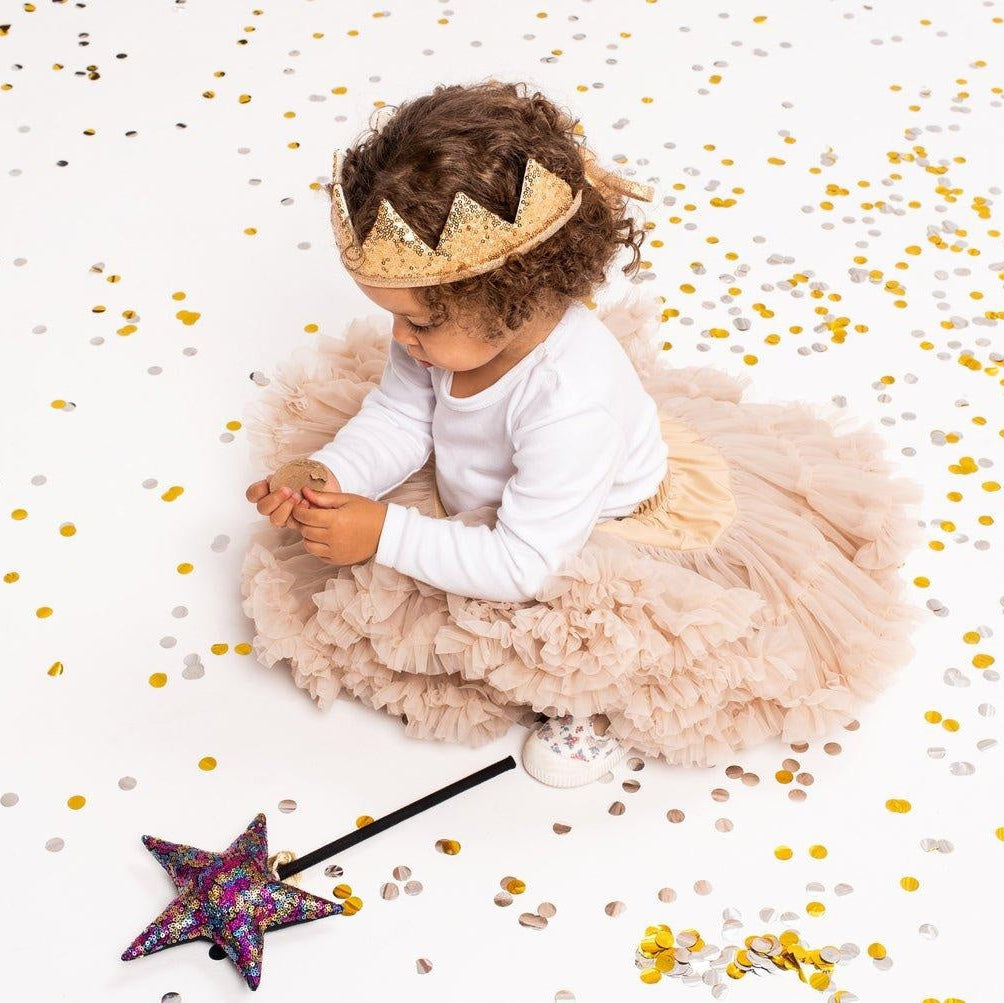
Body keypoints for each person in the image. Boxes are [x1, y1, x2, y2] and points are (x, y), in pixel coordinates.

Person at [241, 79, 925, 788]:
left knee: (580, 635)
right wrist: (336, 474)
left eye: (419, 322)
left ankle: (591, 706)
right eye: (396, 318)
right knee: (404, 570)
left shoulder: (572, 400)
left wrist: (385, 533)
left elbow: (521, 563)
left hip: (579, 539)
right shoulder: (440, 340)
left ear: (512, 295)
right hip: (508, 505)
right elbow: (400, 416)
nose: (401, 337)